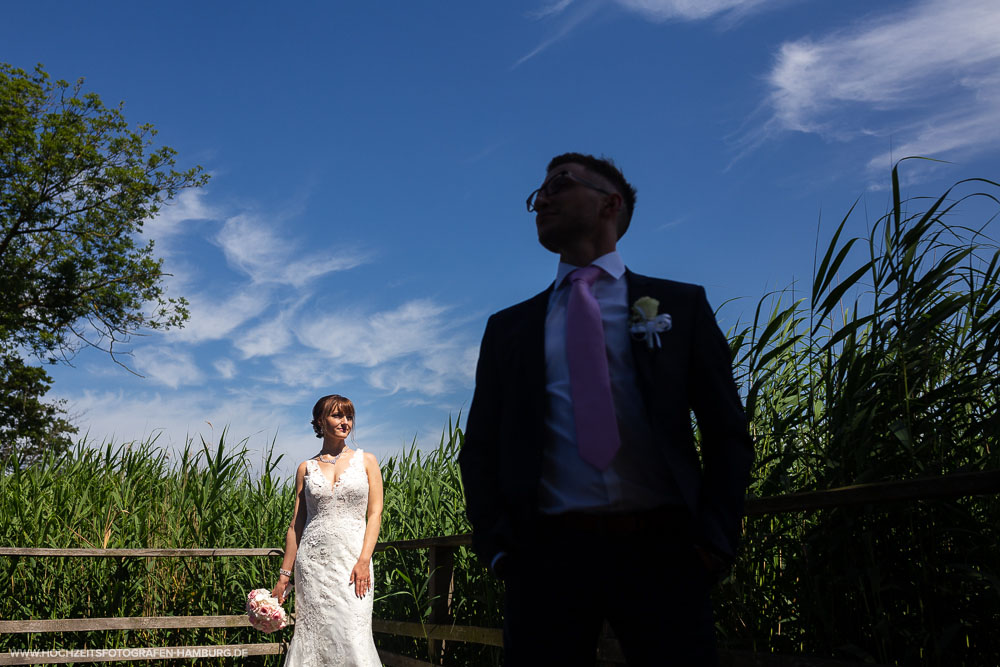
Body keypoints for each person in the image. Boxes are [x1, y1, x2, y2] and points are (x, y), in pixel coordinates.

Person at [459, 153, 754, 666]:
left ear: (609, 204)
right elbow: (480, 446)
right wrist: (500, 550)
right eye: (537, 194)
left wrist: (714, 542)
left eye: (559, 184)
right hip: (544, 558)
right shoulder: (509, 328)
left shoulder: (678, 306)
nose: (541, 199)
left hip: (664, 553)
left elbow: (726, 429)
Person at [272, 394, 384, 667]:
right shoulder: (305, 468)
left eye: (349, 416)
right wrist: (284, 576)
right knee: (313, 636)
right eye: (337, 416)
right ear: (321, 421)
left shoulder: (366, 460)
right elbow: (296, 525)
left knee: (354, 633)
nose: (345, 422)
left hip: (352, 561)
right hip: (313, 566)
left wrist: (364, 560)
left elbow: (375, 513)